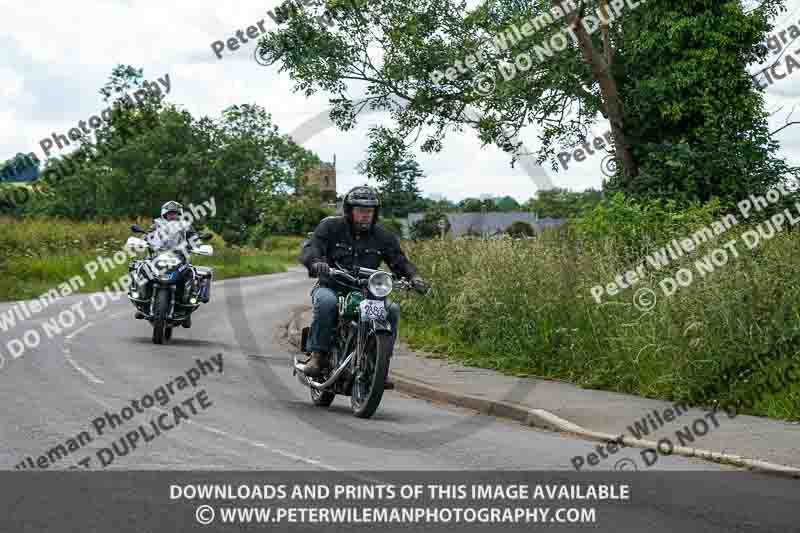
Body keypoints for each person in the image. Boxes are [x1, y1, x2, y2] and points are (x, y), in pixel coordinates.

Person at [300, 185, 428, 382]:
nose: (365, 215)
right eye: (360, 211)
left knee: (391, 310)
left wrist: (415, 277)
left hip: (367, 294)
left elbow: (399, 261)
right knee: (326, 304)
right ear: (349, 211)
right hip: (332, 287)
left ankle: (379, 363)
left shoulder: (383, 236)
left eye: (369, 211)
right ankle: (317, 357)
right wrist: (317, 263)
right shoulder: (330, 227)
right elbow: (312, 247)